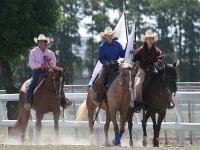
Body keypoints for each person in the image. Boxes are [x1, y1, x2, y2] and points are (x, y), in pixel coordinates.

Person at [24, 34, 71, 110]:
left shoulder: (50, 53)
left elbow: (54, 62)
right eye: (40, 41)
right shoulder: (33, 52)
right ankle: (28, 101)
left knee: (58, 82)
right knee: (32, 83)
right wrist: (41, 65)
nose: (41, 43)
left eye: (43, 41)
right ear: (37, 42)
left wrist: (49, 62)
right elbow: (31, 63)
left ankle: (64, 100)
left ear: (46, 42)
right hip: (37, 72)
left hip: (48, 71)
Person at [133, 31, 174, 111]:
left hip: (153, 71)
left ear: (153, 40)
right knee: (138, 84)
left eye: (152, 39)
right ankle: (138, 103)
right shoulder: (140, 50)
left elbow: (160, 57)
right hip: (142, 71)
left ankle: (169, 100)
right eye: (148, 39)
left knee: (164, 81)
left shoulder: (157, 50)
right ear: (146, 40)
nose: (150, 40)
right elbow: (135, 57)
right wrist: (133, 53)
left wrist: (158, 61)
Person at [92, 27, 125, 102]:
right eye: (108, 35)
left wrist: (127, 48)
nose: (110, 36)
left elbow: (122, 54)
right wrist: (107, 62)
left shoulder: (117, 44)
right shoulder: (102, 46)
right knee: (101, 78)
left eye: (111, 35)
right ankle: (100, 95)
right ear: (105, 36)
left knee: (126, 76)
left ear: (112, 36)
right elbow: (101, 58)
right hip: (107, 67)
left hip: (117, 65)